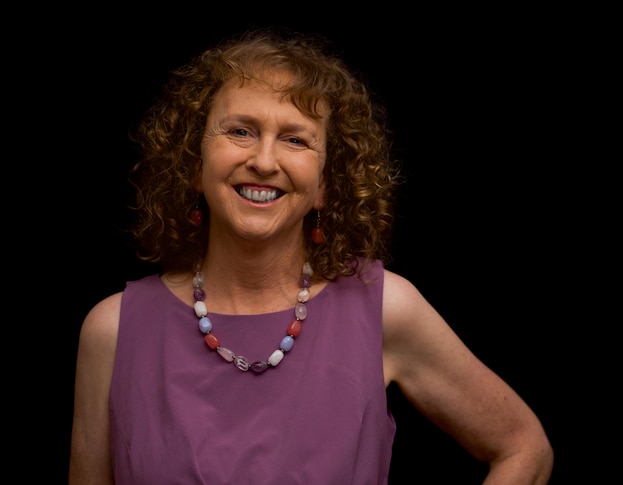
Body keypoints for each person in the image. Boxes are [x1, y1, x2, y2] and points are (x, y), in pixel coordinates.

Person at [69, 27, 553, 484]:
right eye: (240, 131)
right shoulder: (112, 332)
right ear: (194, 166)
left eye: (295, 139)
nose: (263, 160)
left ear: (324, 185)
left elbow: (524, 447)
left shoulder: (384, 310)